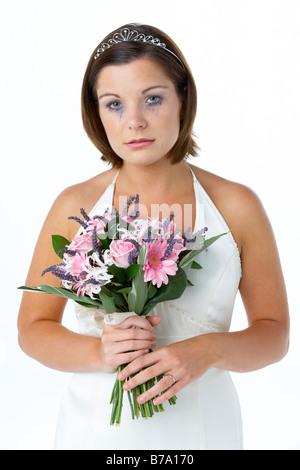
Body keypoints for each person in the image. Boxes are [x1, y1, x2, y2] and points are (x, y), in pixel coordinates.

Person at [17, 23, 289, 450]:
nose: (135, 122)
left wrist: (210, 350)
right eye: (114, 105)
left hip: (205, 432)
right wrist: (98, 354)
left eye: (153, 98)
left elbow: (275, 335)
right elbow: (32, 328)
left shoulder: (237, 206)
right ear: (97, 113)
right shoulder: (73, 205)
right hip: (94, 432)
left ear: (184, 98)